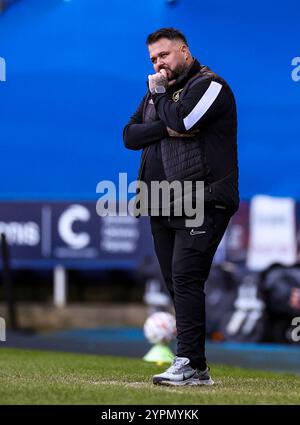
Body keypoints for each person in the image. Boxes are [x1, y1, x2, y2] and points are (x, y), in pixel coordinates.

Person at [123, 28, 239, 386]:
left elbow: (185, 120)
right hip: (161, 202)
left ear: (184, 51)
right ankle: (197, 367)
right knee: (177, 283)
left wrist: (163, 110)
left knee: (187, 278)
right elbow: (129, 135)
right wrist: (165, 125)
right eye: (153, 59)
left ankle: (187, 362)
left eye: (164, 55)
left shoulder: (211, 86)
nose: (159, 64)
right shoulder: (157, 93)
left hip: (202, 198)